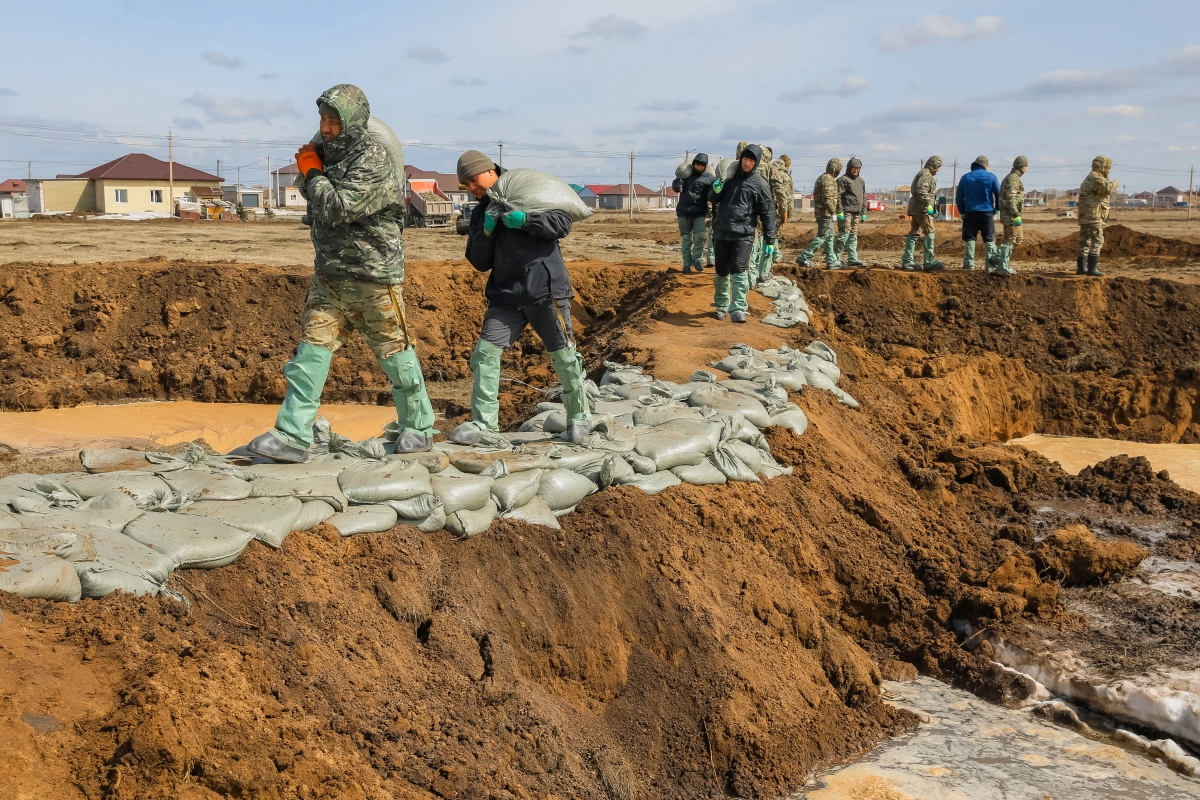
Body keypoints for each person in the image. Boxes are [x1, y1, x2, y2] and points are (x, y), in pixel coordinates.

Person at [248, 84, 435, 463]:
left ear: (351, 122)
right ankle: (292, 435)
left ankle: (418, 426)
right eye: (322, 120)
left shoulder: (373, 158)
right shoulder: (328, 155)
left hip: (372, 276)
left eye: (334, 121)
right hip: (331, 274)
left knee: (394, 352)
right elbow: (313, 193)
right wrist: (312, 170)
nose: (327, 127)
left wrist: (312, 172)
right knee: (310, 352)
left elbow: (337, 205)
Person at [448, 150, 592, 446]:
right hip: (505, 296)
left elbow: (561, 224)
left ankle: (579, 417)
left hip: (545, 291)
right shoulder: (480, 213)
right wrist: (485, 233)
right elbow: (478, 262)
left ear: (490, 171)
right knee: (485, 354)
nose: (472, 188)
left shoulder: (527, 192)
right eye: (466, 185)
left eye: (474, 180)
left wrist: (526, 220)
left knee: (564, 356)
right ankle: (484, 423)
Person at [709, 144, 777, 323]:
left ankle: (738, 307)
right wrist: (715, 190)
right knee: (721, 271)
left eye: (751, 160)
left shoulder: (760, 184)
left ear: (756, 163)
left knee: (739, 270)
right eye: (745, 159)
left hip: (744, 234)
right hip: (722, 231)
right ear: (740, 160)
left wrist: (770, 240)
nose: (747, 163)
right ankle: (722, 305)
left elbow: (768, 212)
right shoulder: (728, 177)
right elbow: (712, 198)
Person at [955, 155, 1002, 273]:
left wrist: (962, 212)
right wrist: (997, 209)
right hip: (987, 213)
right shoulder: (991, 177)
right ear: (985, 166)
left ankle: (968, 264)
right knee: (989, 239)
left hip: (970, 213)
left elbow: (959, 198)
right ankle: (990, 266)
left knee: (970, 238)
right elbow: (999, 195)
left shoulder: (965, 178)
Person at [797, 158, 844, 270]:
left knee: (829, 237)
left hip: (824, 213)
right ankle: (804, 257)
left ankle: (831, 260)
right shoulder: (827, 179)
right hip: (825, 213)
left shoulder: (824, 177)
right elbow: (827, 197)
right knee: (822, 237)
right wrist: (833, 212)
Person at [671, 154, 714, 274]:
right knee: (686, 239)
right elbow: (675, 185)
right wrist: (677, 185)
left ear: (705, 166)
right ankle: (686, 264)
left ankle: (698, 259)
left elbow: (712, 195)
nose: (699, 167)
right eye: (697, 164)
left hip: (699, 212)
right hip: (683, 212)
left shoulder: (709, 178)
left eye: (702, 165)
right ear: (693, 164)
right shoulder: (685, 175)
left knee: (700, 236)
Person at [901, 156, 945, 271]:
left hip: (916, 209)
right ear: (932, 165)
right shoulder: (926, 174)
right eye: (937, 167)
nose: (938, 170)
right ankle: (929, 262)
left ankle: (907, 261)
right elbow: (921, 190)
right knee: (930, 232)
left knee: (914, 232)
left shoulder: (923, 173)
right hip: (922, 209)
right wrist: (928, 205)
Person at [1077, 156, 1118, 277]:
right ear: (1101, 167)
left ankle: (1082, 268)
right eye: (1107, 168)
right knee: (1097, 240)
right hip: (1093, 215)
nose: (1109, 171)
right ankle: (1091, 269)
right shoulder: (1096, 177)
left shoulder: (1092, 176)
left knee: (1085, 241)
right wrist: (1116, 182)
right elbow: (1107, 189)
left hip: (1086, 215)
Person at [747, 145, 776, 283]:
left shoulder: (743, 168)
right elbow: (779, 190)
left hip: (748, 213)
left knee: (753, 243)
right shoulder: (770, 169)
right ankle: (761, 273)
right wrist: (783, 211)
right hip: (764, 210)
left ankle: (751, 276)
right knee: (764, 242)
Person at [765, 154, 795, 280]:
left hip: (766, 209)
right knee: (772, 235)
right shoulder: (785, 176)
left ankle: (773, 256)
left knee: (768, 235)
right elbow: (787, 196)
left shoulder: (768, 171)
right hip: (778, 210)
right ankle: (771, 260)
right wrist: (788, 212)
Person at [834, 157, 868, 267]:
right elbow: (837, 196)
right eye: (854, 168)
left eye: (858, 168)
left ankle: (852, 259)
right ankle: (835, 257)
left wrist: (863, 211)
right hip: (846, 211)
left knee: (853, 235)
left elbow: (863, 197)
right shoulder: (842, 180)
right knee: (844, 234)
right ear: (849, 168)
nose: (856, 170)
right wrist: (839, 211)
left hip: (857, 212)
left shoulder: (861, 181)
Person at [997, 156, 1028, 275]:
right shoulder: (1013, 179)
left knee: (1017, 238)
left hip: (1010, 214)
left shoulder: (1013, 178)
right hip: (1010, 215)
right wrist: (1016, 214)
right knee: (1010, 239)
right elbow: (1011, 199)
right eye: (1026, 166)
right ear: (1022, 167)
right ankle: (1002, 266)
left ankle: (999, 260)